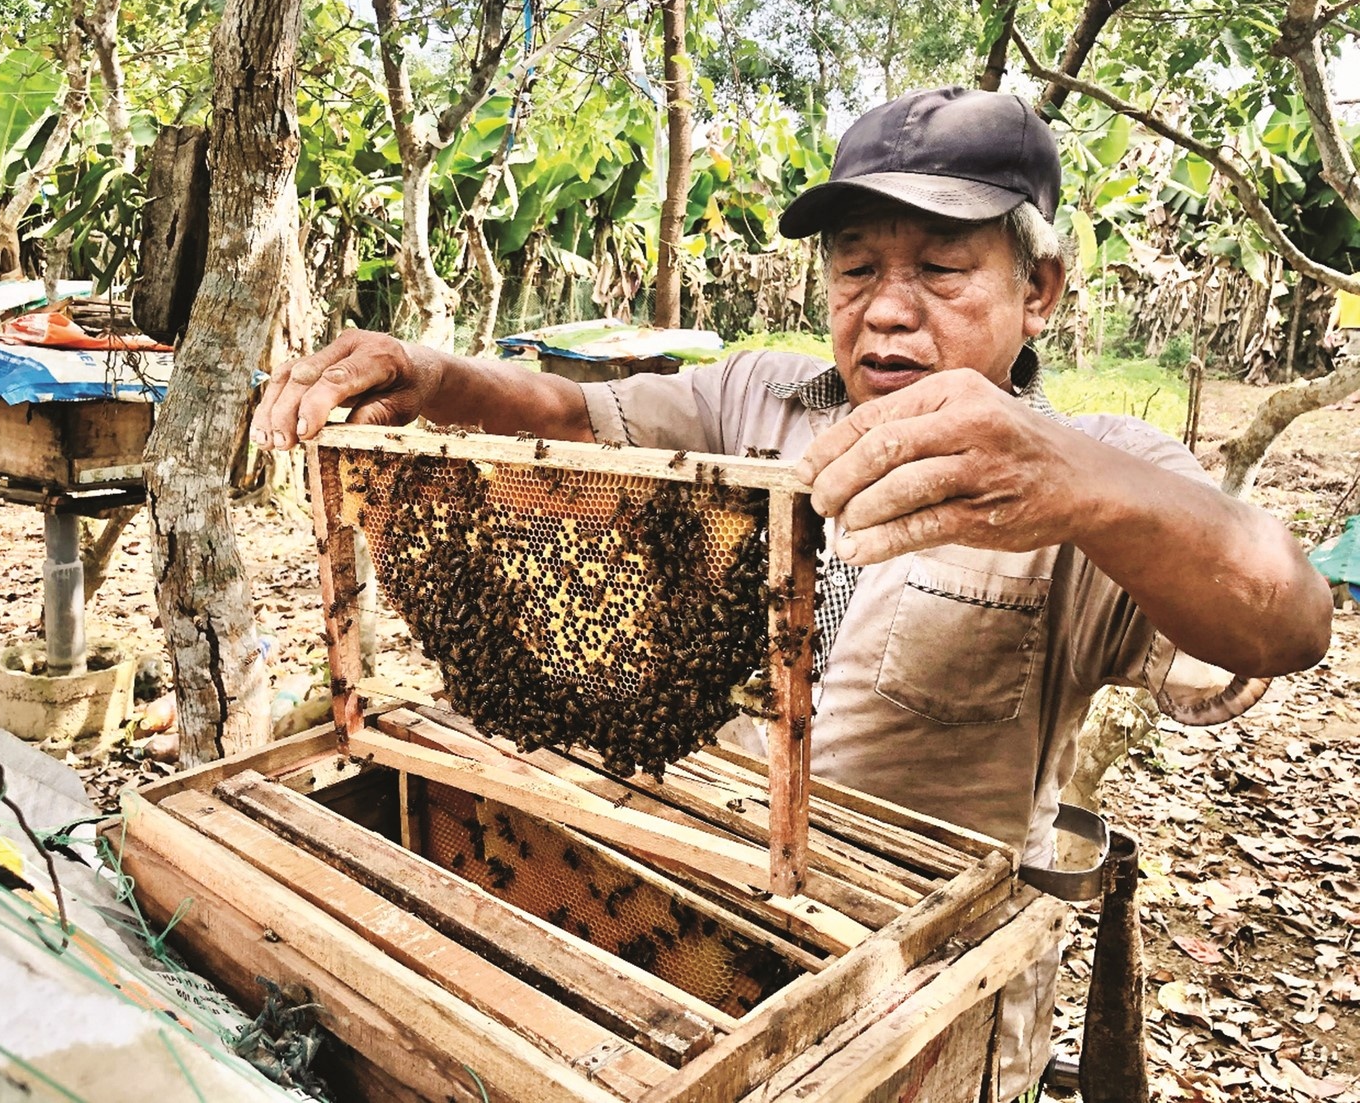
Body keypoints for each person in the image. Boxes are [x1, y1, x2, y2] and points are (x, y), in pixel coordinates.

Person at [252, 86, 1332, 1100]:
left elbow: (1286, 622)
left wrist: (1087, 489)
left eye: (941, 269)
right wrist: (438, 378)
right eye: (855, 270)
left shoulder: (1097, 469)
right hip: (682, 912)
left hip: (906, 992)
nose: (887, 313)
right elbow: (574, 417)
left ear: (1036, 290)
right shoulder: (757, 394)